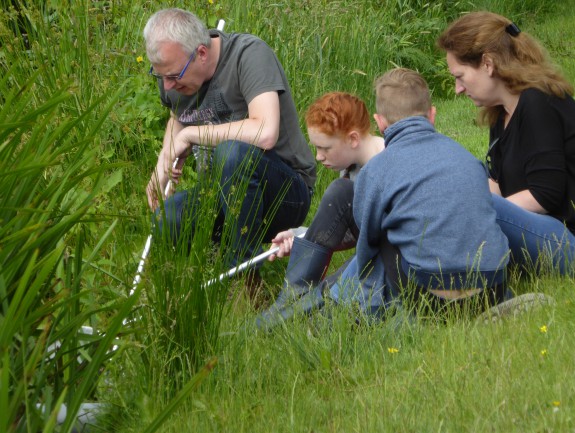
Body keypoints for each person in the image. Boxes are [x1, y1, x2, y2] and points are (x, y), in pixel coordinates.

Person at [258, 68, 510, 330]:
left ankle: (310, 316)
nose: (320, 155)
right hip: (494, 286)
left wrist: (357, 296)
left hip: (430, 298)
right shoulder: (467, 158)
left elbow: (367, 251)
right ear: (432, 115)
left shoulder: (377, 171)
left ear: (380, 122)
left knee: (385, 239)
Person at [142, 9, 317, 277]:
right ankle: (204, 270)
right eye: (160, 77)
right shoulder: (176, 76)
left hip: (284, 195)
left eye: (173, 77)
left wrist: (190, 136)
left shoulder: (249, 55)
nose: (166, 87)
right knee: (167, 220)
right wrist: (161, 170)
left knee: (232, 153)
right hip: (221, 194)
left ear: (201, 53)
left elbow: (265, 130)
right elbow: (177, 119)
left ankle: (244, 277)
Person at [437, 11, 575, 275]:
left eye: (460, 76)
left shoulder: (538, 101)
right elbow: (498, 186)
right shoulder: (500, 113)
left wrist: (478, 213)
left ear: (488, 64)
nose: (458, 89)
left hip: (567, 241)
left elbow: (545, 195)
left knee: (475, 209)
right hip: (541, 233)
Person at [257, 92, 385, 321]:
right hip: (371, 241)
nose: (318, 157)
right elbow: (351, 227)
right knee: (340, 191)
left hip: (390, 256)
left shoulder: (387, 166)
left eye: (325, 148)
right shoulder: (351, 168)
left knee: (341, 278)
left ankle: (289, 315)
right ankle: (289, 303)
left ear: (353, 139)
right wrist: (299, 236)